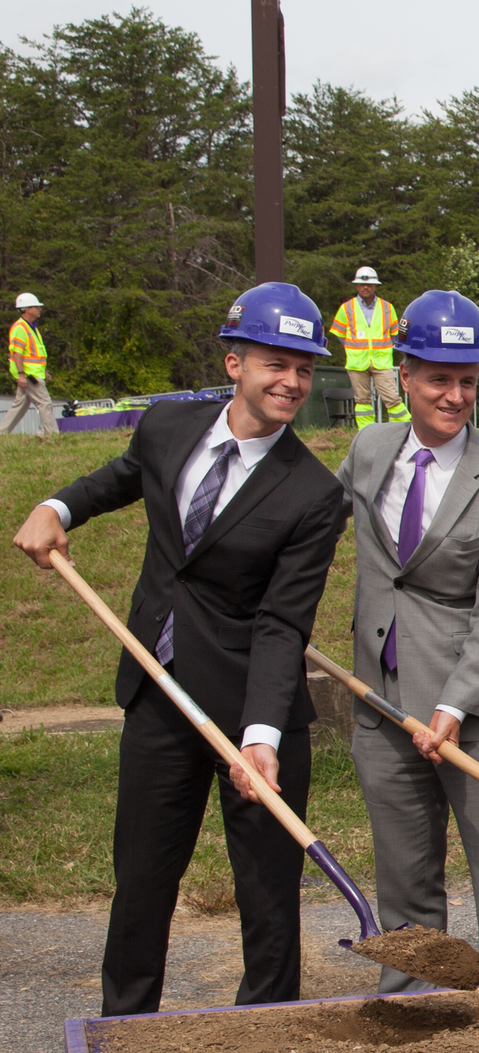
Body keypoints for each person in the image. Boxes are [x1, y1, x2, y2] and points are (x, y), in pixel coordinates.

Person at [11, 283, 340, 1014]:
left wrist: (259, 740)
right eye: (276, 364)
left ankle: (266, 1038)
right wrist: (56, 507)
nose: (291, 382)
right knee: (143, 884)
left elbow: (284, 624)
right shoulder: (166, 427)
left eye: (305, 368)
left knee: (267, 899)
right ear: (235, 362)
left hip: (254, 712)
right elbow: (119, 481)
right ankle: (124, 1037)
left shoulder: (315, 494)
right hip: (159, 696)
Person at [333, 290, 479, 991]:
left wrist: (453, 708)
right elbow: (306, 527)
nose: (454, 396)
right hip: (383, 707)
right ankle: (415, 1019)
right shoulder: (367, 451)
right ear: (402, 375)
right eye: (438, 379)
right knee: (404, 887)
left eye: (467, 382)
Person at [328, 267, 408, 428]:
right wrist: (352, 348)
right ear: (356, 286)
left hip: (381, 361)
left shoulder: (387, 307)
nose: (366, 287)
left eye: (370, 284)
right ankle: (366, 433)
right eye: (362, 284)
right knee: (362, 400)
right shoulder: (347, 308)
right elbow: (339, 333)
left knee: (392, 398)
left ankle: (405, 428)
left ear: (376, 286)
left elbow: (395, 334)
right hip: (357, 362)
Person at [5, 292, 56, 436]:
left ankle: (2, 434)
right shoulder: (20, 328)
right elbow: (18, 354)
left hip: (32, 373)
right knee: (45, 403)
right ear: (27, 309)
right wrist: (21, 374)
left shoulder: (31, 327)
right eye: (36, 307)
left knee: (19, 406)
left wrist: (44, 371)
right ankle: (52, 435)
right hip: (29, 375)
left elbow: (35, 353)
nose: (39, 309)